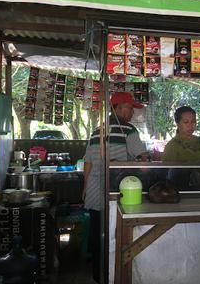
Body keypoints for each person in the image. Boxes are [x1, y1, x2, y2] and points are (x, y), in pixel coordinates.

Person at [82, 92, 147, 283]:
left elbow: (87, 162)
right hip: (117, 189)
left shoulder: (97, 130)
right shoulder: (128, 130)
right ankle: (114, 275)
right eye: (128, 108)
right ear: (116, 109)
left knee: (97, 232)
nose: (132, 113)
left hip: (95, 189)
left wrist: (85, 187)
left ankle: (97, 275)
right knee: (115, 233)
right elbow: (143, 159)